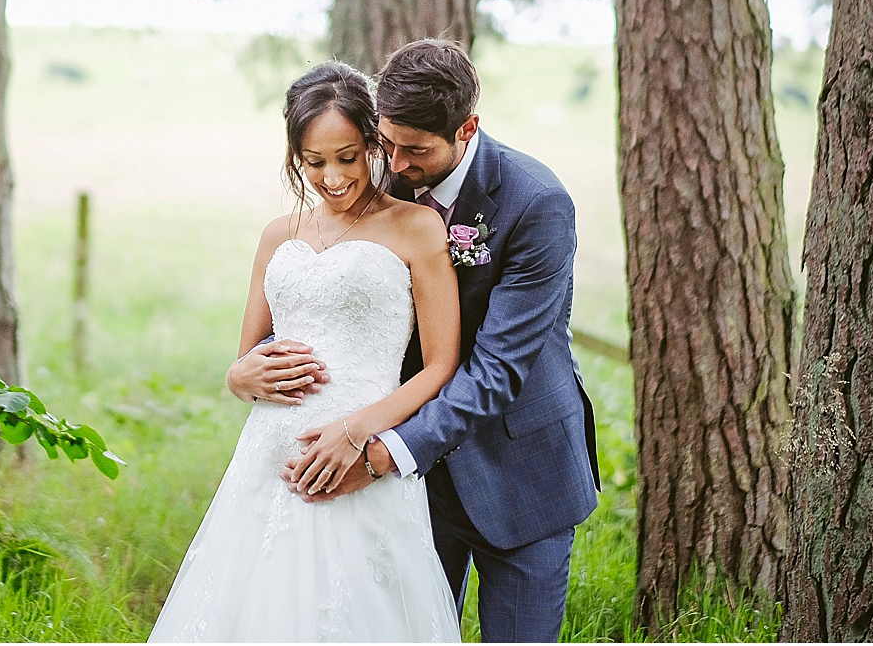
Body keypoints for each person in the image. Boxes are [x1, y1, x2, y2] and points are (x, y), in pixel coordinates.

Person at [236, 39, 600, 642]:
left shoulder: (535, 203)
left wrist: (379, 452)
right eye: (388, 142)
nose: (397, 164)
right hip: (409, 486)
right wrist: (244, 371)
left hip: (515, 468)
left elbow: (496, 369)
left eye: (416, 151)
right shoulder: (375, 175)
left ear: (467, 128)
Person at [149, 61, 464, 643]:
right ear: (295, 156)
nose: (334, 177)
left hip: (361, 446)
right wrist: (237, 377)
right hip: (270, 451)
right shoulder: (278, 233)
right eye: (314, 162)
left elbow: (442, 364)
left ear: (376, 142)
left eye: (348, 157)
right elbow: (246, 358)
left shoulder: (417, 227)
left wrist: (359, 429)